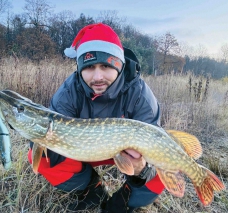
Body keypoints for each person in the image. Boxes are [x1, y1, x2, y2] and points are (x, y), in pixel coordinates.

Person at [27, 23, 165, 212]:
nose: (97, 76)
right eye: (89, 67)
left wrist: (141, 168)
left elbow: (157, 145)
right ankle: (92, 189)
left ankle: (126, 197)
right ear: (79, 68)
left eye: (106, 66)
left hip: (127, 155)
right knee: (43, 155)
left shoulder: (140, 95)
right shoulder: (68, 92)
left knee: (164, 169)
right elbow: (48, 132)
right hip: (84, 151)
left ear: (119, 65)